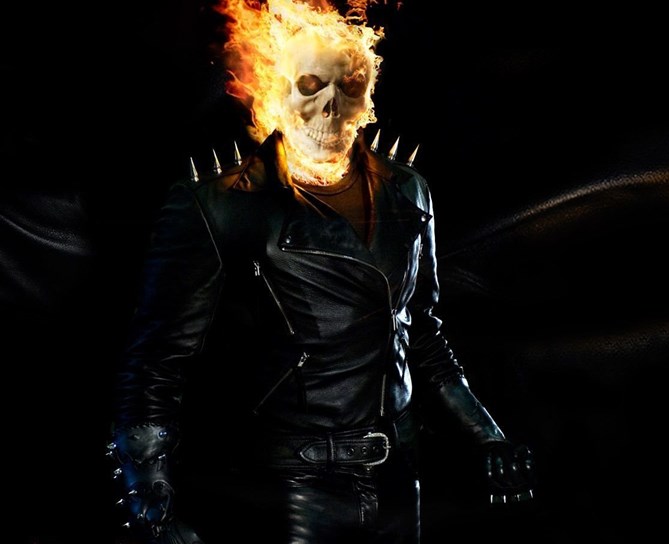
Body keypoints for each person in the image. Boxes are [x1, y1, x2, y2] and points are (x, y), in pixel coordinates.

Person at [109, 3, 533, 542]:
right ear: (276, 92)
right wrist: (151, 500)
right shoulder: (220, 204)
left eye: (349, 86)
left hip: (398, 475)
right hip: (289, 485)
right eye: (310, 85)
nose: (330, 104)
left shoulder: (408, 191)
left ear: (368, 97)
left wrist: (487, 435)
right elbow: (157, 361)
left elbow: (421, 333)